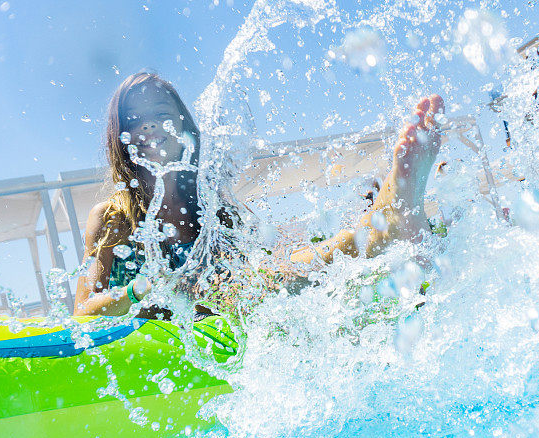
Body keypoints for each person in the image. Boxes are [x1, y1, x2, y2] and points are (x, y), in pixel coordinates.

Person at [74, 72, 444, 317]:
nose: (150, 123)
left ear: (184, 127)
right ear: (121, 137)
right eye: (136, 119)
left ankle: (387, 223)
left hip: (221, 320)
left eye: (160, 112)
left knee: (279, 275)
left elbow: (245, 286)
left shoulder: (211, 208)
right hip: (154, 343)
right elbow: (82, 312)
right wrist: (144, 288)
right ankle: (383, 226)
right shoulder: (112, 218)